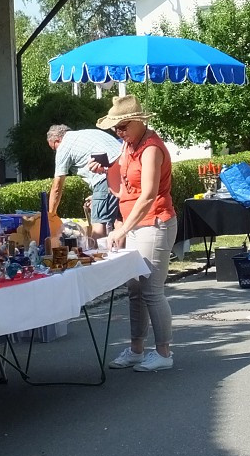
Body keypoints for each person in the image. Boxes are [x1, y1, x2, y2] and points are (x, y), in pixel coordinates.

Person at [92, 97, 177, 373]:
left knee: (152, 290)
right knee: (135, 290)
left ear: (141, 121)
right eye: (115, 128)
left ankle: (164, 352)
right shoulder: (129, 146)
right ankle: (137, 349)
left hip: (155, 223)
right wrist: (107, 170)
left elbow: (149, 193)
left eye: (123, 126)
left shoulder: (151, 148)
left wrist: (123, 228)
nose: (119, 132)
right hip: (136, 224)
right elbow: (125, 186)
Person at [45, 124, 122, 240]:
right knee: (119, 221)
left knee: (98, 225)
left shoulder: (64, 146)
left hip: (105, 178)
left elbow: (57, 187)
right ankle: (121, 255)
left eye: (54, 148)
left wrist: (51, 215)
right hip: (126, 173)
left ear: (57, 140)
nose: (56, 152)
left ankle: (98, 257)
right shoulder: (88, 133)